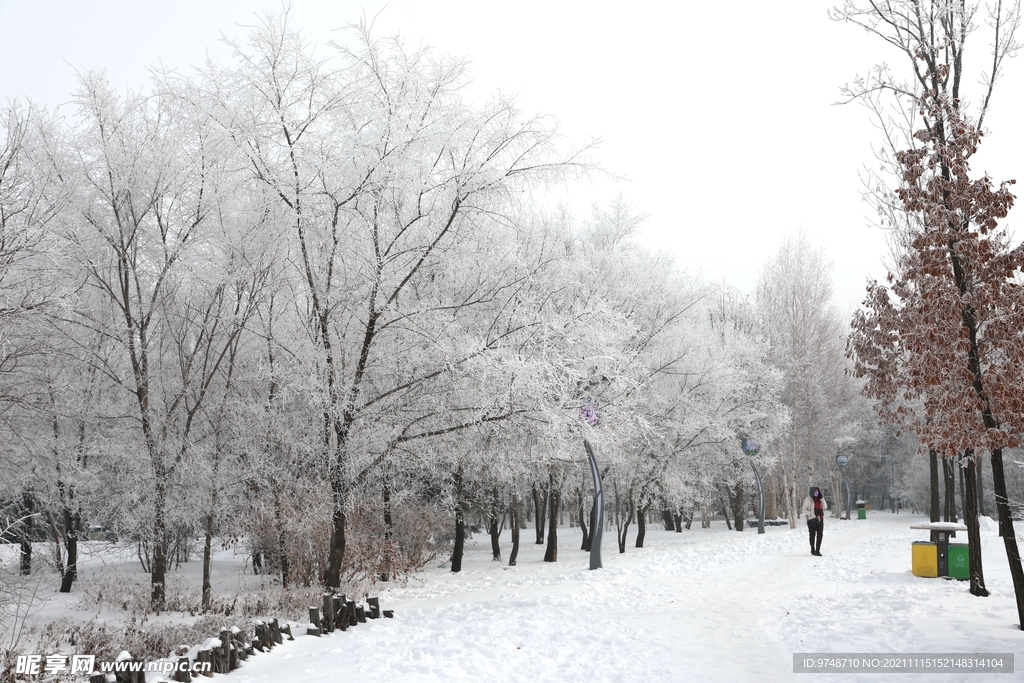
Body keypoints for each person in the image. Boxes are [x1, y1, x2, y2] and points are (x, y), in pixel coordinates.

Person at [802, 486, 827, 556]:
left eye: (817, 491)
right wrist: (810, 514)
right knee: (812, 535)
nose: (816, 492)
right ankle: (812, 548)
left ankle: (817, 550)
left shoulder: (820, 499)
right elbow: (803, 510)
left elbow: (825, 507)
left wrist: (822, 498)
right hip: (812, 520)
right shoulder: (808, 500)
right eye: (815, 491)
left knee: (820, 535)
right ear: (812, 492)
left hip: (820, 520)